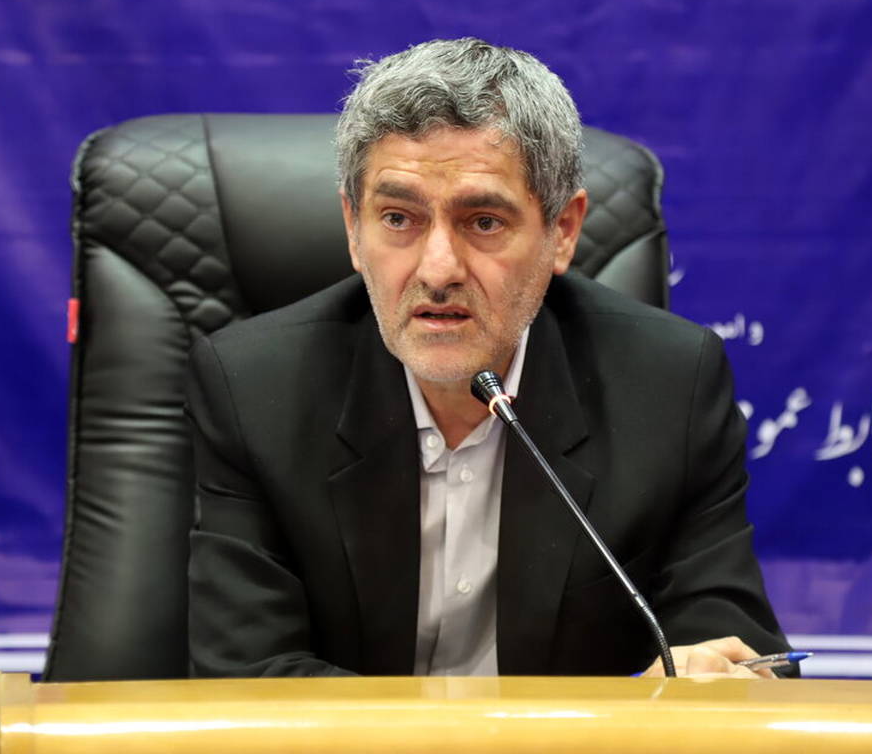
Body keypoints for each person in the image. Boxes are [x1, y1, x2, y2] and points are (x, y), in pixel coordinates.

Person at [186, 38, 790, 679]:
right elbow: (247, 678)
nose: (437, 270)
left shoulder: (670, 385)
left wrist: (706, 677)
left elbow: (736, 648)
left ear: (562, 231)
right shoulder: (255, 389)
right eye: (398, 218)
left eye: (483, 222)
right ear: (353, 229)